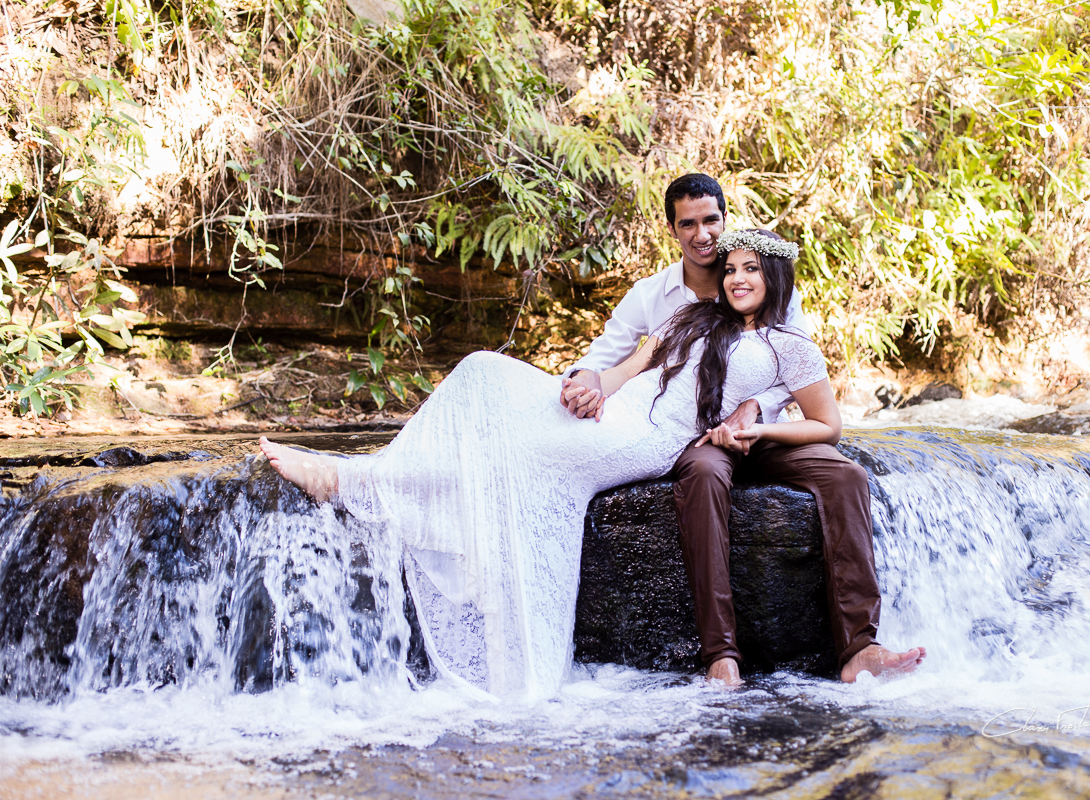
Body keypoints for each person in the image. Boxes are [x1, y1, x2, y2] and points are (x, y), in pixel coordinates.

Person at [260, 225, 921, 698]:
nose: (740, 278)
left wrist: (756, 423)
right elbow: (636, 360)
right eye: (734, 268)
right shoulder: (696, 317)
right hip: (621, 408)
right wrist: (595, 387)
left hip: (654, 438)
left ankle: (355, 482)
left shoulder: (789, 348)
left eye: (753, 269)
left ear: (774, 278)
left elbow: (823, 422)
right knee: (483, 372)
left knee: (520, 457)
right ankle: (375, 477)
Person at [560, 174, 924, 685]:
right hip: (695, 439)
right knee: (705, 475)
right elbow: (611, 358)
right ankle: (721, 656)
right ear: (673, 230)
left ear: (727, 224)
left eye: (711, 221)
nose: (703, 235)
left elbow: (797, 380)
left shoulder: (777, 300)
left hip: (765, 434)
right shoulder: (666, 303)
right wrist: (585, 382)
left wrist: (756, 412)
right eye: (689, 223)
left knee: (847, 477)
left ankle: (860, 647)